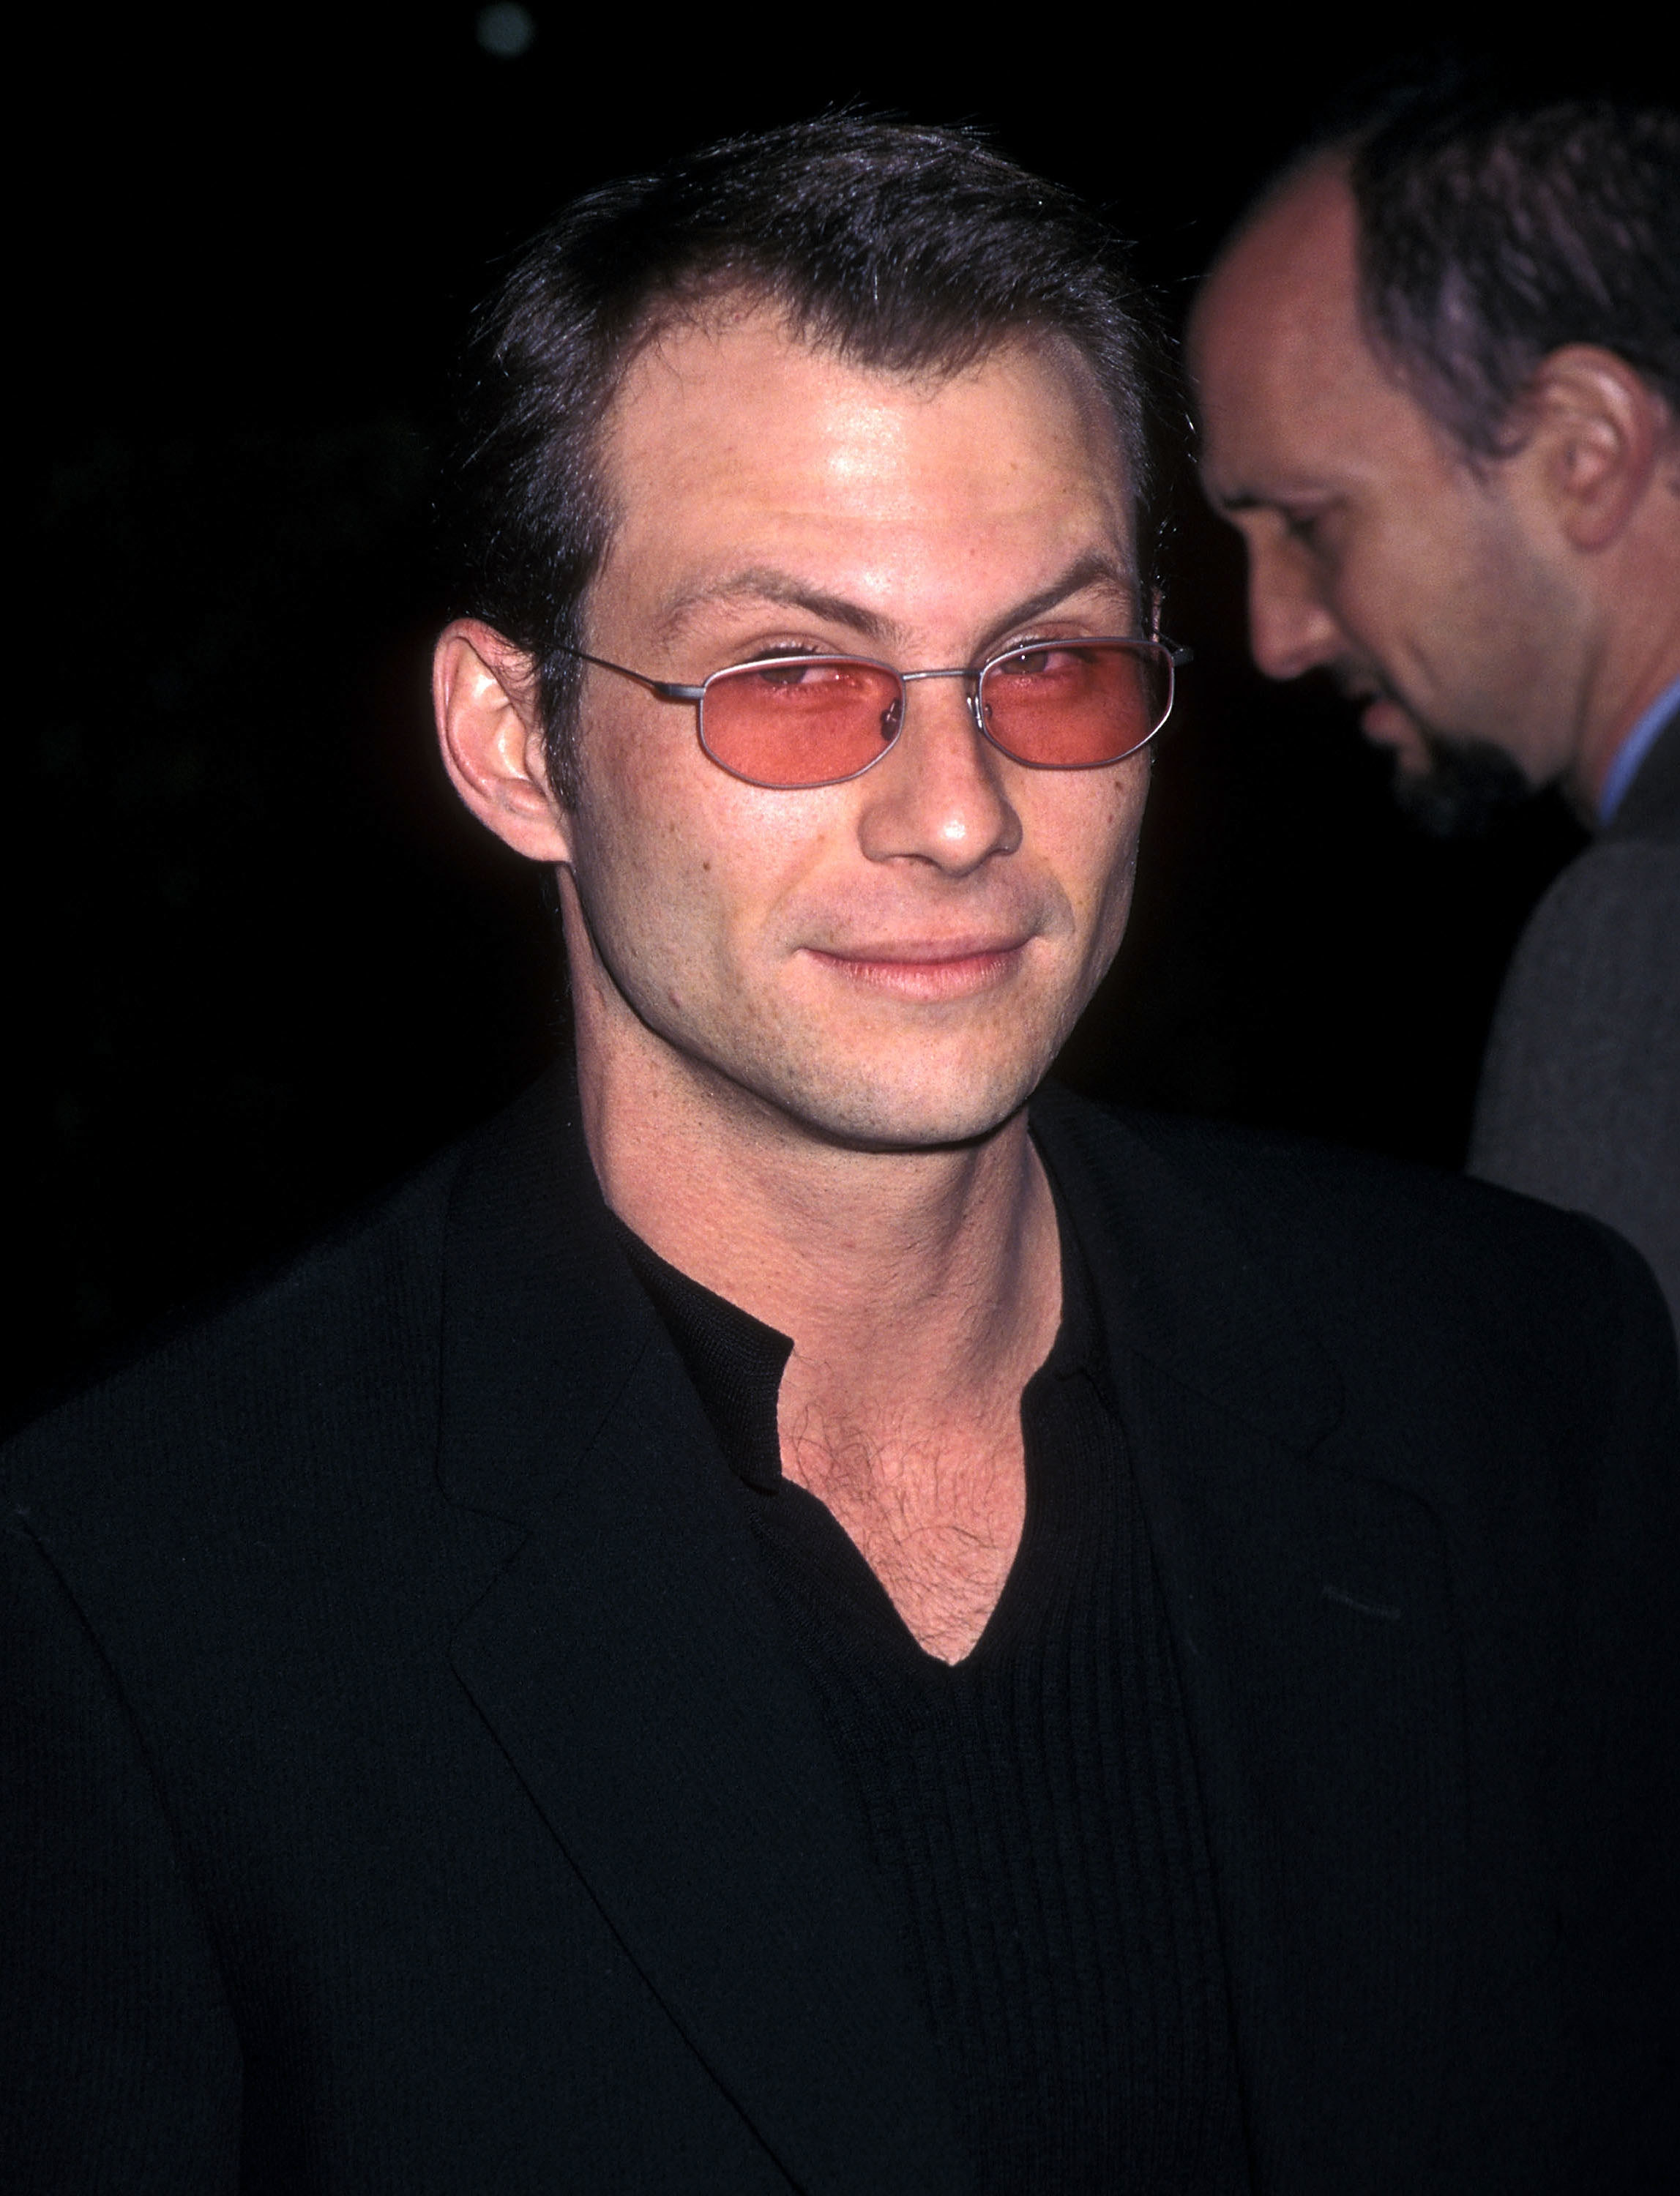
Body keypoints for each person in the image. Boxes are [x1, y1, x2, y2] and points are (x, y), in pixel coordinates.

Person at [4, 119, 1676, 2196]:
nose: (961, 809)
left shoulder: (1522, 1377)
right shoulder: (146, 1593)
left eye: (1045, 664)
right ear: (516, 744)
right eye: (798, 681)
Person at [1187, 72, 1680, 1328]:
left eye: (1309, 523)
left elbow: (1600, 1518)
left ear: (1585, 450)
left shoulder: (1638, 934)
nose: (1277, 637)